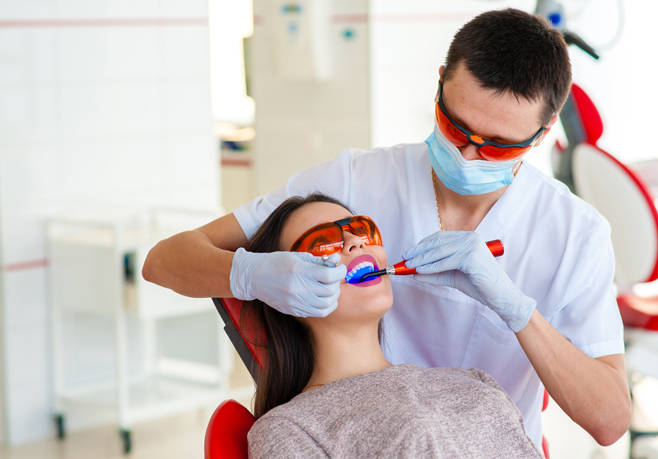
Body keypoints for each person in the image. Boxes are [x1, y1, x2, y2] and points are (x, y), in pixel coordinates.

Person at [142, 8, 630, 447]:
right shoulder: (352, 182)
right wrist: (250, 274)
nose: (467, 154)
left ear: (544, 132)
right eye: (455, 126)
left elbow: (610, 421)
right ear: (439, 85)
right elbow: (163, 260)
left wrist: (518, 311)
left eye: (498, 145)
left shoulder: (575, 235)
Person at [242, 193, 542, 458]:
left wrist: (521, 312)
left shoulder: (474, 381)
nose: (356, 242)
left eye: (362, 230)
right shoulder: (290, 427)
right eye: (322, 244)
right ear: (284, 294)